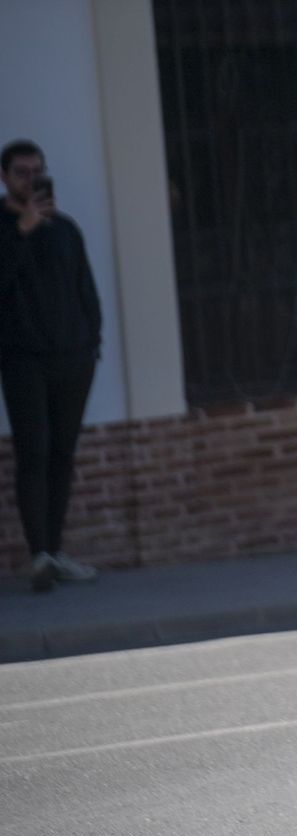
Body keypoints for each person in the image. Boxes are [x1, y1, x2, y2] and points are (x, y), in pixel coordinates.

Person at [0, 139, 102, 592]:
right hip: (23, 361)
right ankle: (38, 553)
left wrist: (91, 342)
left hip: (73, 359)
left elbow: (85, 288)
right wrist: (21, 231)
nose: (31, 180)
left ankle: (56, 552)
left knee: (62, 454)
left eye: (37, 172)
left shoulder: (65, 229)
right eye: (22, 173)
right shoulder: (4, 229)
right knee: (34, 453)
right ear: (4, 177)